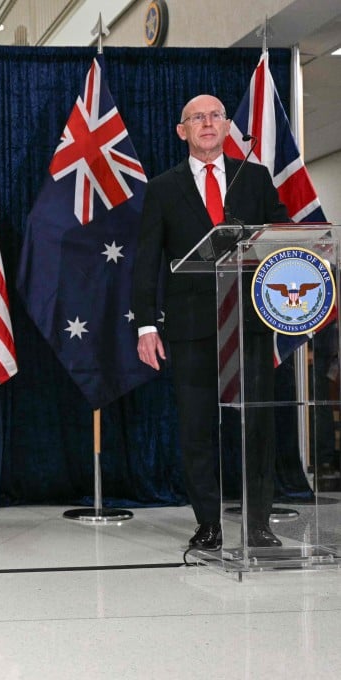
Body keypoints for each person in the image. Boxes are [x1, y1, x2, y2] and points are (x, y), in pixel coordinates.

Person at [131, 94, 289, 551]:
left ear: (226, 127)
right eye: (197, 117)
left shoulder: (254, 178)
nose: (207, 123)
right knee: (197, 426)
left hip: (251, 322)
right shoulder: (163, 187)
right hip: (191, 325)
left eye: (215, 116)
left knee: (257, 425)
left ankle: (258, 524)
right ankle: (209, 524)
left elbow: (281, 240)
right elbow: (146, 261)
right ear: (182, 131)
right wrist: (146, 326)